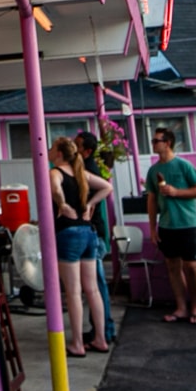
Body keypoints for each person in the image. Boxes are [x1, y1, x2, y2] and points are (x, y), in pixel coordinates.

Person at [49, 136, 109, 356]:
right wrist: (91, 205)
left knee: (73, 292)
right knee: (92, 289)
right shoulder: (81, 173)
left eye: (52, 148)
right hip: (88, 231)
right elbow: (106, 187)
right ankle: (100, 339)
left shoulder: (55, 172)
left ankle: (77, 343)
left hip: (69, 232)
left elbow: (55, 189)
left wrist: (62, 204)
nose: (48, 150)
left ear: (59, 154)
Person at [145, 126, 196, 324]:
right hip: (167, 225)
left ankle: (195, 306)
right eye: (153, 141)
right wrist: (152, 228)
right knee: (172, 266)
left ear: (168, 142)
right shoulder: (154, 170)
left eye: (156, 141)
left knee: (191, 265)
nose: (153, 144)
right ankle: (181, 307)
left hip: (187, 223)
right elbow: (152, 200)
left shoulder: (183, 165)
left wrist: (177, 192)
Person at [75, 129, 117, 343]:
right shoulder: (86, 168)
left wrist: (89, 205)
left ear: (87, 151)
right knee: (94, 285)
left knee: (96, 286)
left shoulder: (87, 170)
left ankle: (104, 330)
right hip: (95, 232)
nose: (74, 148)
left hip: (93, 233)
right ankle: (101, 329)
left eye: (78, 145)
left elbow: (106, 189)